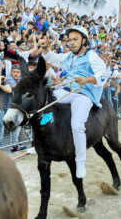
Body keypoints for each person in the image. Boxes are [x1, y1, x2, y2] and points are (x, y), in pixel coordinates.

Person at [42, 25, 106, 178]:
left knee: (77, 126)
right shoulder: (68, 56)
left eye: (75, 39)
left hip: (84, 94)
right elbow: (53, 58)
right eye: (70, 40)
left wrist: (86, 79)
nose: (71, 43)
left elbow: (104, 75)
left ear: (84, 41)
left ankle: (80, 162)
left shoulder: (91, 56)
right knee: (45, 105)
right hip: (66, 90)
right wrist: (45, 49)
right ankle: (40, 143)